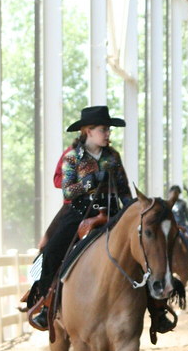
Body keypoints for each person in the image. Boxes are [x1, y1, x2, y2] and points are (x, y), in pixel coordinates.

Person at [30, 105, 132, 329]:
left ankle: (157, 307)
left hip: (112, 212)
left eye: (108, 130)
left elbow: (124, 190)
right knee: (51, 252)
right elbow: (67, 191)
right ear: (89, 131)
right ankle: (46, 305)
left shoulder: (113, 157)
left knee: (141, 248)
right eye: (104, 130)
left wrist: (130, 209)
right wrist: (92, 180)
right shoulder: (72, 157)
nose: (108, 134)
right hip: (78, 213)